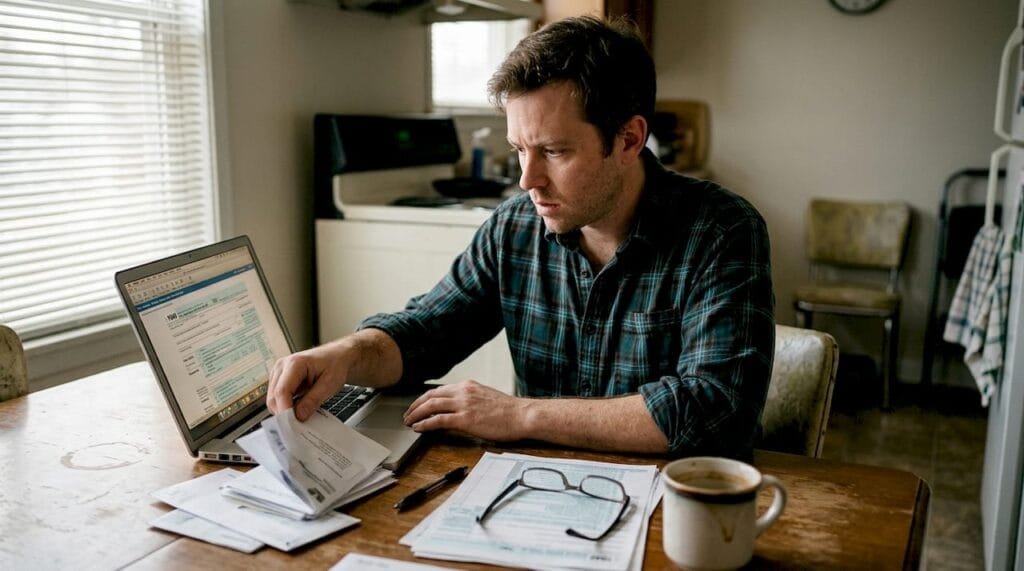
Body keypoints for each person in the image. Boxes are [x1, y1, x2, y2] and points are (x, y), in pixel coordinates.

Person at [268, 16, 774, 459]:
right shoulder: (514, 228)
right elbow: (426, 331)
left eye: (553, 151)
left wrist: (519, 416)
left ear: (628, 139)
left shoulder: (722, 230)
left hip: (676, 510)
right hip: (539, 495)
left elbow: (713, 408)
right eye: (519, 151)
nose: (527, 180)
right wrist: (344, 356)